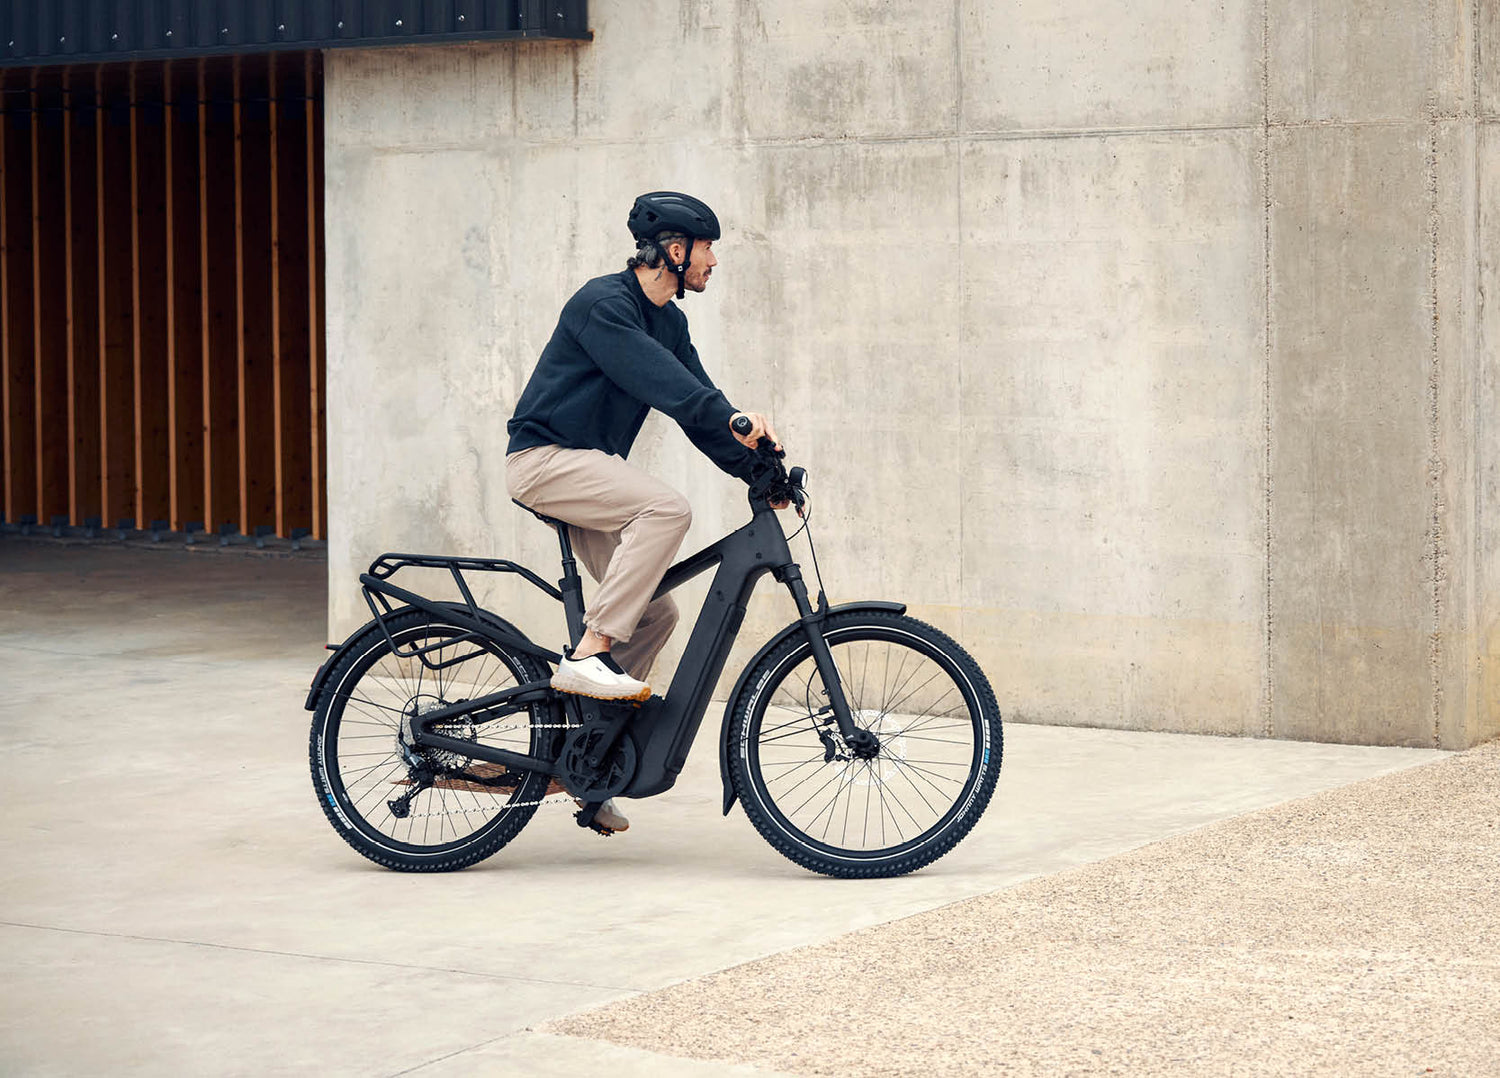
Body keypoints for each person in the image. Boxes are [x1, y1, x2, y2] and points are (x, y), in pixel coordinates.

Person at [502, 191, 782, 833]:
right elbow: (663, 382)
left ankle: (586, 758)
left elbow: (699, 404)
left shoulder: (670, 322)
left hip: (587, 472)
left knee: (655, 611)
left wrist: (759, 466)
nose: (714, 261)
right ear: (676, 250)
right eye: (708, 248)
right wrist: (730, 417)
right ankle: (590, 651)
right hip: (546, 459)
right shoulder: (605, 306)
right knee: (665, 509)